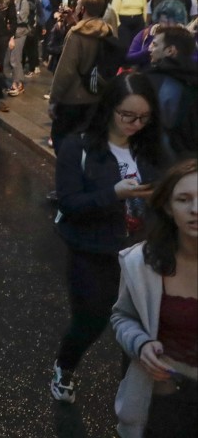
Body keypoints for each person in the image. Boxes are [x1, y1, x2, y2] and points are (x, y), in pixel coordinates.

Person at [50, 73, 165, 404]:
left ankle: (131, 392)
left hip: (141, 252)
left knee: (142, 326)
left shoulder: (148, 148)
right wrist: (112, 193)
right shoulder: (79, 147)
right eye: (126, 115)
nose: (134, 123)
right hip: (92, 251)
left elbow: (163, 187)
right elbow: (70, 203)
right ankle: (64, 366)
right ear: (109, 109)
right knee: (91, 320)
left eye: (143, 117)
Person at [111, 159, 197, 438]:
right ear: (168, 207)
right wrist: (142, 343)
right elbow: (122, 316)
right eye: (184, 199)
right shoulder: (142, 263)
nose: (196, 209)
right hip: (164, 400)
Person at [48, 0, 115, 155]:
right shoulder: (108, 30)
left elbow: (66, 70)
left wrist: (54, 98)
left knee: (63, 142)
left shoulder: (76, 34)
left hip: (73, 98)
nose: (75, 7)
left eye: (78, 5)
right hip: (97, 94)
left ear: (83, 9)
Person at [144, 25, 198, 158]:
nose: (149, 48)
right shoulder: (192, 79)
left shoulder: (154, 81)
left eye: (155, 44)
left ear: (170, 51)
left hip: (162, 159)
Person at [4, 0, 31, 97]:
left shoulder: (23, 1)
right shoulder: (8, 0)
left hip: (20, 33)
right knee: (7, 59)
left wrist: (11, 21)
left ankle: (18, 84)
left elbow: (22, 18)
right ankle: (9, 83)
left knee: (15, 58)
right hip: (9, 33)